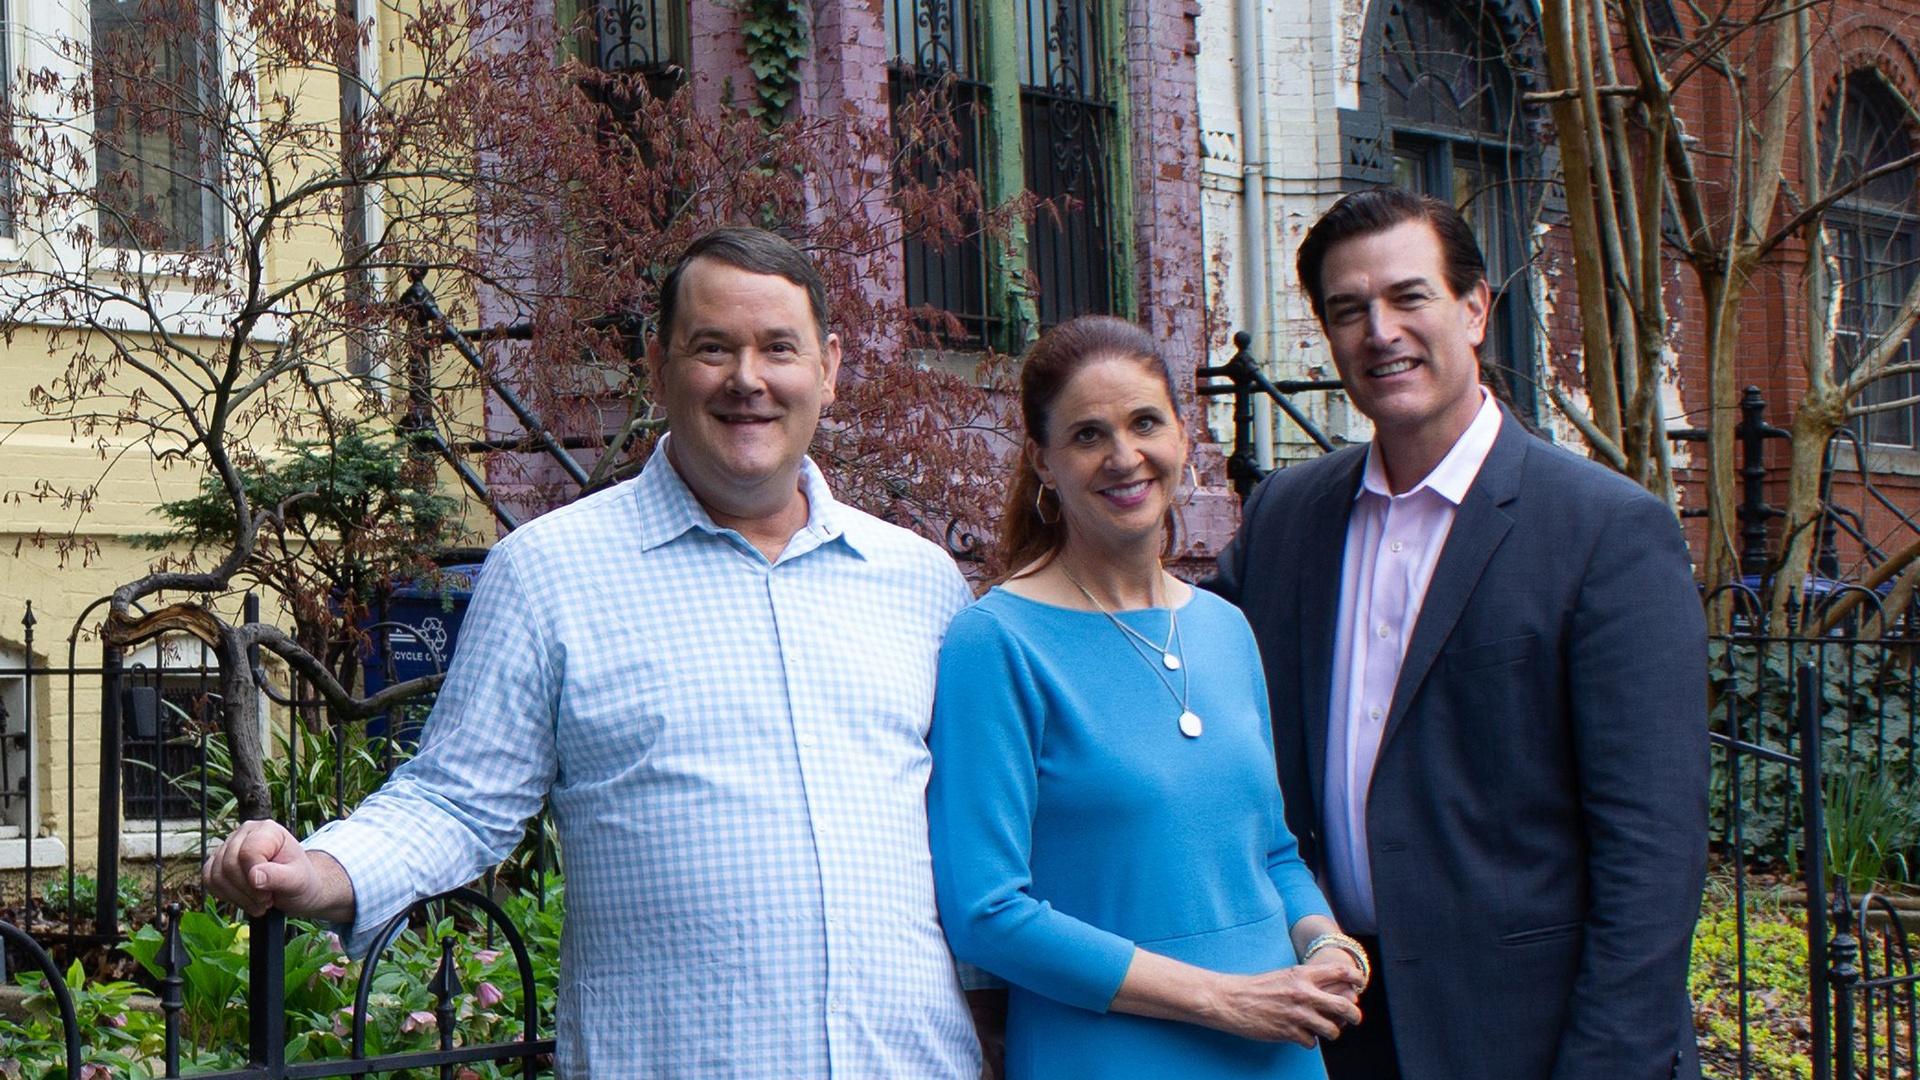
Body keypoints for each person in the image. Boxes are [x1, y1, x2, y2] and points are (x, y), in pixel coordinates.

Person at [201, 226, 983, 1078]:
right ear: (658, 366)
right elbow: (458, 800)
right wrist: (321, 869)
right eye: (712, 348)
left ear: (827, 369)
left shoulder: (921, 583)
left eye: (778, 348)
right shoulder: (551, 573)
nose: (748, 379)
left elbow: (979, 847)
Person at [1210, 187, 1709, 1080]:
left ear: (1476, 309)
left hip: (1524, 1037)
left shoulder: (1604, 532)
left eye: (1409, 297)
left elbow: (1653, 852)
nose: (1380, 332)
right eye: (1348, 310)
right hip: (1325, 1026)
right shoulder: (1286, 518)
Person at [928, 315, 1367, 1080]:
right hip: (1108, 1054)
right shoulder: (995, 643)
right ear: (1043, 461)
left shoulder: (1225, 628)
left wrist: (1324, 944)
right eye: (1088, 435)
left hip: (1277, 1050)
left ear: (1183, 436)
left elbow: (1271, 851)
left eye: (1144, 423)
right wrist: (1224, 1000)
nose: (1124, 456)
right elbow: (988, 913)